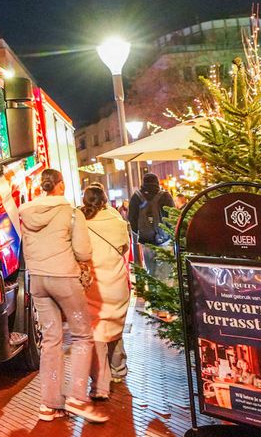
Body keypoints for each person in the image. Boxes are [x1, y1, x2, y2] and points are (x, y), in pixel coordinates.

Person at [16, 168, 106, 423]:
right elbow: (83, 250)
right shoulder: (71, 213)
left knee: (51, 339)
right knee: (82, 335)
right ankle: (77, 396)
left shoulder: (27, 213)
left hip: (38, 282)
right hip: (64, 279)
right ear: (61, 185)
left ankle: (49, 404)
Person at [80, 184, 132, 399]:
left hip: (94, 285)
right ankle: (119, 369)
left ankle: (101, 379)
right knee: (115, 326)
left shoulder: (80, 221)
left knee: (97, 330)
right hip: (117, 283)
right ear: (104, 200)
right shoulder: (116, 221)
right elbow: (124, 248)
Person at [128, 173, 175, 278]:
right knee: (166, 273)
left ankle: (153, 291)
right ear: (157, 183)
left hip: (146, 240)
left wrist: (139, 232)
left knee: (151, 270)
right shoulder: (165, 196)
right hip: (165, 240)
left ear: (143, 183)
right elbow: (172, 217)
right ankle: (164, 293)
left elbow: (132, 219)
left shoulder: (136, 197)